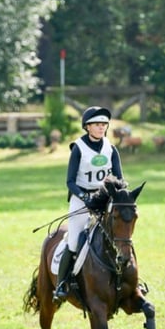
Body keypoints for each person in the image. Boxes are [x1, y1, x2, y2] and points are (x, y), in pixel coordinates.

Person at [53, 106, 124, 301]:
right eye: (97, 125)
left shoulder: (111, 148)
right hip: (81, 199)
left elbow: (119, 177)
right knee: (74, 240)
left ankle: (129, 280)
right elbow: (70, 182)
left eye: (104, 125)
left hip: (104, 199)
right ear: (87, 127)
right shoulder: (78, 148)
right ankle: (61, 284)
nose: (101, 128)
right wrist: (85, 198)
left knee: (120, 237)